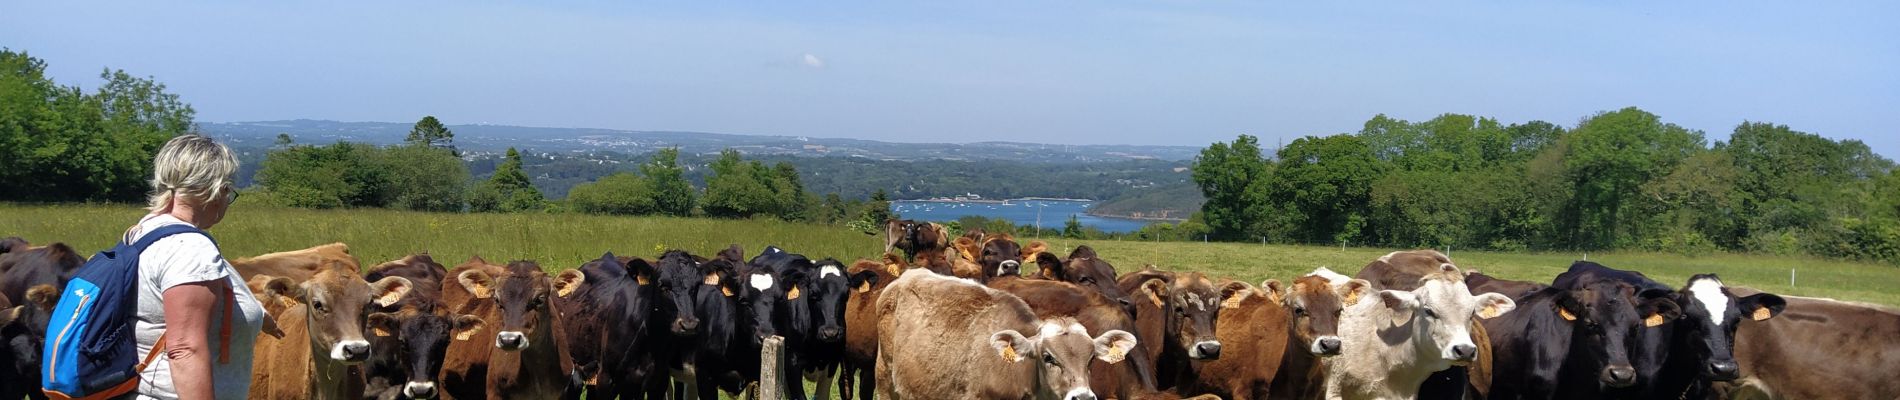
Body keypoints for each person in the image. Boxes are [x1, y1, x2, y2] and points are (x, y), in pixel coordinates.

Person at [124, 134, 265, 399]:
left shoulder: (145, 230)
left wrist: (256, 314)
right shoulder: (189, 250)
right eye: (228, 191)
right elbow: (184, 348)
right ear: (215, 190)